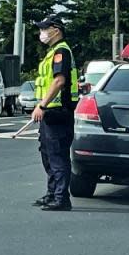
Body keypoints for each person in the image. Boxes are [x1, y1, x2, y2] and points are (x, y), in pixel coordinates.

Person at [31, 15, 79, 210]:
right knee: (48, 153)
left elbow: (59, 81)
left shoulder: (61, 52)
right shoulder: (53, 52)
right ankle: (52, 193)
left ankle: (61, 198)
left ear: (56, 30)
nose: (42, 33)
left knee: (57, 155)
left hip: (59, 111)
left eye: (45, 28)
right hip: (50, 112)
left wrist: (41, 105)